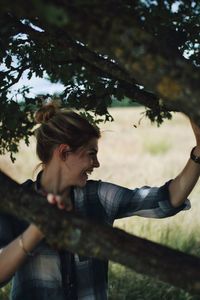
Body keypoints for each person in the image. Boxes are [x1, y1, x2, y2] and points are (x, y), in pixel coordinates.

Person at [0, 103, 200, 300]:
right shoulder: (17, 203)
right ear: (63, 153)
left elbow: (167, 199)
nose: (96, 163)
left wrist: (198, 152)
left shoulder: (98, 197)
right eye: (91, 154)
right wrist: (36, 231)